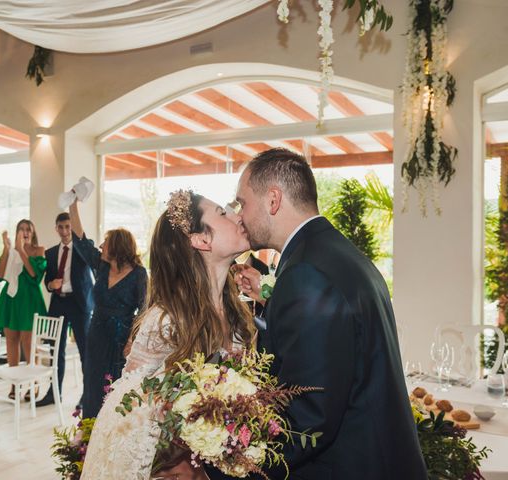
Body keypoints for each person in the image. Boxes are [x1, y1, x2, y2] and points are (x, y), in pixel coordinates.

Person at [224, 148, 427, 479]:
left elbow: (308, 419)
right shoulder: (334, 253)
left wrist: (229, 468)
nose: (240, 215)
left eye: (242, 203)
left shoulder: (306, 274)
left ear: (272, 200)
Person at [80, 190, 256, 480]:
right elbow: (130, 412)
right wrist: (175, 460)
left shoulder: (238, 317)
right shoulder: (165, 322)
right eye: (223, 213)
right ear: (201, 240)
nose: (237, 216)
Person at [68, 198, 148, 419]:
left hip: (122, 338)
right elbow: (80, 240)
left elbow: (143, 310)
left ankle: (113, 432)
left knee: (116, 385)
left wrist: (132, 341)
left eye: (106, 242)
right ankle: (90, 432)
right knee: (93, 382)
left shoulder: (139, 274)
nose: (101, 246)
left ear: (118, 246)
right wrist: (72, 205)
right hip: (97, 333)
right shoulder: (101, 266)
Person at [37, 212, 94, 408]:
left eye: (68, 227)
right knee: (56, 350)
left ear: (72, 228)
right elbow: (47, 281)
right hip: (58, 303)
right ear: (56, 229)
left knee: (85, 352)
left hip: (80, 305)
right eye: (60, 227)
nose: (64, 231)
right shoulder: (51, 253)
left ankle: (87, 396)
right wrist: (51, 284)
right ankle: (54, 393)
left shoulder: (83, 249)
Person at [0, 219, 47, 400]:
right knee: (11, 341)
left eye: (28, 229)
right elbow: (0, 274)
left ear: (33, 233)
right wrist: (7, 249)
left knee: (29, 343)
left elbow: (33, 274)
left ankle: (34, 385)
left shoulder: (39, 250)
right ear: (17, 232)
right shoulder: (12, 251)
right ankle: (14, 385)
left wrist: (21, 250)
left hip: (29, 301)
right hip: (11, 300)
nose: (25, 232)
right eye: (21, 229)